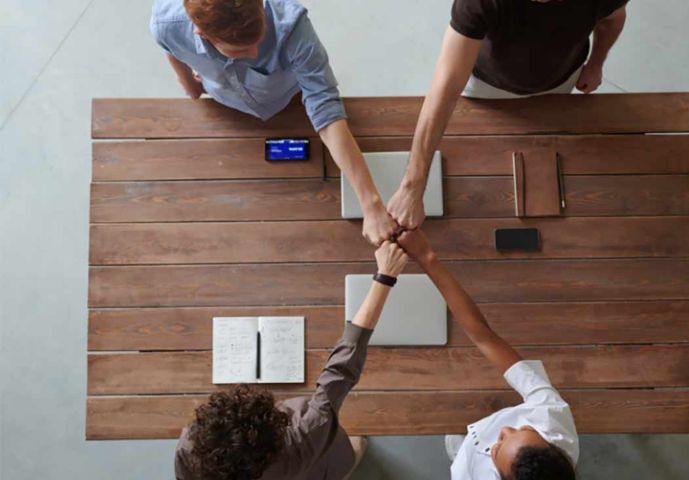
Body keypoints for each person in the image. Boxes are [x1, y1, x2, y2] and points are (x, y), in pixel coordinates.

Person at [150, 0, 395, 245]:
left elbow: (325, 107)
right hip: (227, 112)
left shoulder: (292, 25)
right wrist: (189, 85)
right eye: (240, 51)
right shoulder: (165, 24)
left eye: (261, 36)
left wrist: (371, 205)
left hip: (289, 100)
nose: (255, 53)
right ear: (200, 32)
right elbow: (169, 45)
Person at [174, 241, 409, 479]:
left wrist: (385, 277)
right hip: (321, 465)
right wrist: (385, 277)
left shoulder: (190, 447)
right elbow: (342, 367)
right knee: (346, 453)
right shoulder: (305, 435)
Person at [387, 0, 628, 229]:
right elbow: (447, 86)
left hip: (561, 80)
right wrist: (412, 186)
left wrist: (596, 63)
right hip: (484, 84)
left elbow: (612, 20)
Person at [397, 229, 578, 480]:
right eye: (523, 428)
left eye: (499, 445)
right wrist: (426, 257)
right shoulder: (550, 417)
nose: (505, 429)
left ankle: (463, 449)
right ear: (553, 444)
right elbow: (483, 336)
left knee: (461, 457)